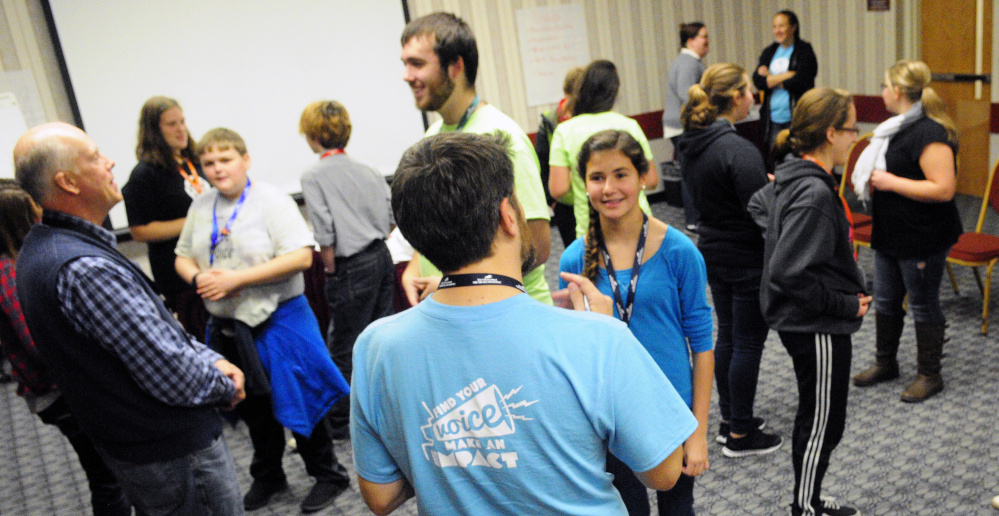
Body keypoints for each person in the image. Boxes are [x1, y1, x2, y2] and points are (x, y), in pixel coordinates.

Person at [350, 131, 697, 515]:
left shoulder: (375, 345)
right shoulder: (598, 338)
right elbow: (664, 472)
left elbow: (380, 496)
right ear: (508, 216)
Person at [14, 122, 246, 516]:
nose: (110, 162)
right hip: (171, 451)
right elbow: (169, 369)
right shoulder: (84, 267)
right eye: (95, 157)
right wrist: (224, 384)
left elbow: (156, 332)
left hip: (137, 446)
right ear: (68, 182)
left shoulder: (49, 248)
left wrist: (212, 359)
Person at [174, 128, 351, 513]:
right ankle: (268, 475)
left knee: (302, 398)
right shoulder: (202, 206)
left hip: (281, 319)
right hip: (229, 326)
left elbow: (302, 258)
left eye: (225, 159)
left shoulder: (271, 200)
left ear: (245, 159)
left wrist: (237, 279)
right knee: (252, 408)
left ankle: (329, 475)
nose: (217, 169)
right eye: (209, 163)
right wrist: (197, 277)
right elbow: (182, 256)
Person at [559, 130, 712, 516]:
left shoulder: (679, 251)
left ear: (644, 176)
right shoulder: (575, 260)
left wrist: (698, 432)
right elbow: (574, 355)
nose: (608, 188)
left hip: (670, 412)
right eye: (597, 178)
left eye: (620, 174)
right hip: (610, 418)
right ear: (585, 184)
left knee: (678, 509)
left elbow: (702, 345)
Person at [749, 88, 869, 516]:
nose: (857, 135)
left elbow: (759, 206)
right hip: (815, 323)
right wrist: (844, 304)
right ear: (832, 133)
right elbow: (788, 273)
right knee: (822, 422)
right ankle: (805, 507)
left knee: (823, 417)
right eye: (853, 127)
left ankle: (809, 499)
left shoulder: (792, 174)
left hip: (810, 318)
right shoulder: (814, 193)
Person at [399, 11, 552, 305]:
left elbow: (540, 246)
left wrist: (454, 285)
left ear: (456, 66)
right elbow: (438, 227)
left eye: (417, 64)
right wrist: (413, 268)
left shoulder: (503, 136)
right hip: (458, 309)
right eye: (405, 64)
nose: (407, 76)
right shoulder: (432, 138)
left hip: (510, 315)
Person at [0, 180, 132, 516]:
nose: (42, 215)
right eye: (34, 211)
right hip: (61, 393)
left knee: (111, 476)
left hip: (60, 390)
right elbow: (39, 342)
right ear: (17, 223)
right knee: (109, 480)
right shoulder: (9, 274)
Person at [677, 63, 782, 457]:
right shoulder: (738, 149)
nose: (754, 96)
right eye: (749, 91)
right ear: (736, 97)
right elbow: (761, 213)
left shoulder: (693, 143)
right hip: (746, 256)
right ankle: (740, 433)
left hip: (713, 252)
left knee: (730, 337)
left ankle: (728, 419)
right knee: (749, 341)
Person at [850, 60, 962, 403]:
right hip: (891, 232)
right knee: (884, 299)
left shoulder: (929, 132)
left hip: (922, 235)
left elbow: (944, 189)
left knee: (924, 305)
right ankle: (886, 364)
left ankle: (930, 375)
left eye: (884, 86)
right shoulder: (893, 128)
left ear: (897, 91)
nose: (881, 92)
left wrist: (890, 182)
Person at [298, 100, 394, 439]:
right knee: (380, 335)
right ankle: (386, 409)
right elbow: (390, 216)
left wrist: (331, 271)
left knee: (343, 345)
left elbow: (324, 230)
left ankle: (341, 422)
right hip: (381, 256)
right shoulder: (368, 169)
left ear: (311, 136)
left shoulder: (312, 176)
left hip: (349, 264)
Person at [122, 96, 211, 340]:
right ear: (154, 131)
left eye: (182, 121)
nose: (181, 129)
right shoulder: (145, 174)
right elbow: (139, 230)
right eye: (171, 124)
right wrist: (193, 221)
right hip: (180, 277)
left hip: (214, 262)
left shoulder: (196, 161)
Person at [549, 59, 659, 241]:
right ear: (614, 92)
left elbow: (558, 189)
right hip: (639, 223)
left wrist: (582, 185)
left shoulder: (565, 130)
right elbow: (652, 180)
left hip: (591, 228)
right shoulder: (629, 125)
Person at [662, 22, 709, 232]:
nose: (707, 41)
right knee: (692, 172)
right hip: (683, 127)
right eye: (703, 36)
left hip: (677, 126)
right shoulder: (689, 63)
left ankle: (694, 217)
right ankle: (694, 219)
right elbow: (686, 94)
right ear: (690, 41)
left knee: (690, 171)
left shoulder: (685, 61)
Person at [752, 10, 818, 154]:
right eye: (774, 27)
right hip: (773, 120)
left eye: (781, 26)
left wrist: (771, 78)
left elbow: (802, 81)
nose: (777, 31)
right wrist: (786, 75)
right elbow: (758, 81)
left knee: (798, 158)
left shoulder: (804, 50)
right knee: (777, 159)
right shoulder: (769, 52)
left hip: (796, 119)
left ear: (793, 27)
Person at [535, 66, 583, 247]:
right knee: (575, 256)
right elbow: (541, 164)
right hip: (564, 205)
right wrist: (551, 200)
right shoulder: (550, 122)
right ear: (566, 92)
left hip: (589, 201)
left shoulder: (588, 119)